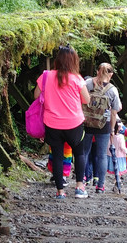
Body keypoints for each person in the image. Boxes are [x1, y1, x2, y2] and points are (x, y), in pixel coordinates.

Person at [34, 45, 90, 199]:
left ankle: (60, 191)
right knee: (79, 153)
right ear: (74, 61)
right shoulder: (77, 78)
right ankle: (79, 187)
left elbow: (36, 95)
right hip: (74, 123)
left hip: (52, 123)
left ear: (57, 59)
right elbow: (86, 99)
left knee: (57, 156)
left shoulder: (46, 76)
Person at [82, 63, 121, 194]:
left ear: (98, 71)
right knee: (101, 155)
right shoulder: (112, 89)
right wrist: (111, 129)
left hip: (87, 123)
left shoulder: (87, 83)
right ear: (110, 74)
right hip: (103, 125)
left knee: (84, 153)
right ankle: (100, 185)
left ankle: (81, 181)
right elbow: (115, 111)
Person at [107, 120, 127, 186]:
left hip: (111, 154)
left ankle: (116, 179)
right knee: (119, 168)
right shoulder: (120, 137)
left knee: (114, 167)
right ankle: (117, 179)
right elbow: (122, 147)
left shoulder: (109, 135)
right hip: (120, 155)